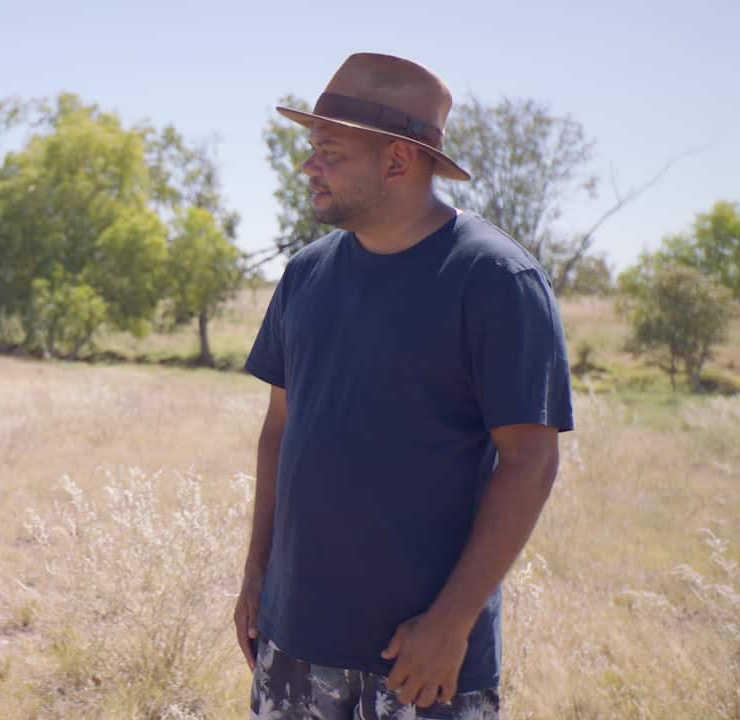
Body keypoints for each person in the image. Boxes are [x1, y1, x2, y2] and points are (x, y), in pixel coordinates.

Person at [235, 53, 573, 719]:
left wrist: (451, 624)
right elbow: (279, 431)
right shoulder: (305, 275)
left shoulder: (494, 280)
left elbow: (530, 460)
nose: (310, 166)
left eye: (330, 151)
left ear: (396, 161)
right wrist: (255, 576)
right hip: (294, 640)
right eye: (313, 149)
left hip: (421, 659)